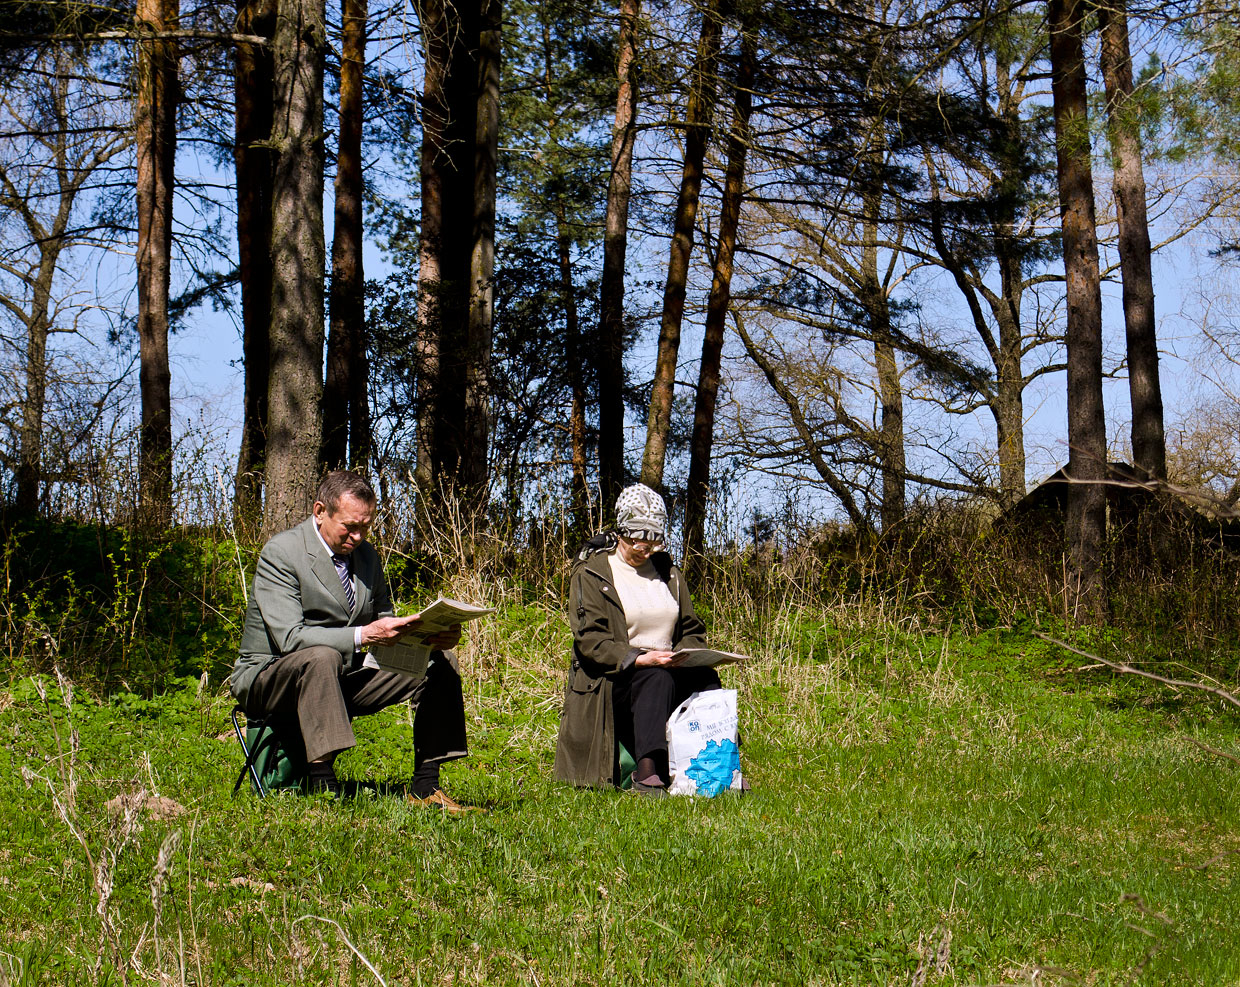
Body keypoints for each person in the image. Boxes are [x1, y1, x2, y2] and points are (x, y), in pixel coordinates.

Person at [230, 470, 473, 810]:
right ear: (320, 512)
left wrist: (426, 637)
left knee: (439, 662)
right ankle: (324, 787)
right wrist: (363, 635)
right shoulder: (282, 553)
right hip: (269, 679)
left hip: (342, 674)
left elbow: (383, 619)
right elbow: (289, 639)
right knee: (321, 657)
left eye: (366, 526)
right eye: (349, 526)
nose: (358, 536)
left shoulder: (367, 557)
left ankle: (426, 787)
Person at [554, 483, 722, 795]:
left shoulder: (668, 572)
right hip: (614, 679)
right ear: (621, 531)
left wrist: (691, 654)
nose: (645, 547)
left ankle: (719, 767)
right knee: (654, 677)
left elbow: (691, 628)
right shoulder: (593, 573)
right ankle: (647, 773)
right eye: (637, 540)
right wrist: (639, 657)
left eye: (653, 540)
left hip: (668, 667)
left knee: (707, 679)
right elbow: (591, 640)